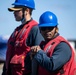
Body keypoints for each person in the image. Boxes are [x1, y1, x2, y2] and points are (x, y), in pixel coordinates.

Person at [2, 0, 44, 75]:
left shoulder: (35, 29)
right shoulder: (16, 31)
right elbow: (9, 54)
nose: (14, 13)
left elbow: (39, 58)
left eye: (17, 10)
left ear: (27, 10)